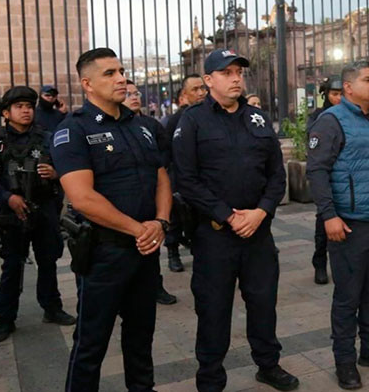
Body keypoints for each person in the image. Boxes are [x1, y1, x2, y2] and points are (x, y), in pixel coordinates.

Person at [173, 49, 298, 392]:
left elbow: (276, 174)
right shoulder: (193, 120)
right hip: (215, 236)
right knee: (213, 309)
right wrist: (227, 215)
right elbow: (186, 179)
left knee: (263, 302)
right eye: (226, 73)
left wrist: (260, 212)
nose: (235, 78)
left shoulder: (257, 119)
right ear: (209, 80)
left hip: (257, 232)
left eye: (239, 72)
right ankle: (211, 377)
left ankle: (268, 365)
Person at [55, 48, 171, 391]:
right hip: (104, 255)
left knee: (140, 338)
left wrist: (160, 223)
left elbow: (161, 177)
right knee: (91, 342)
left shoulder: (142, 127)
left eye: (121, 70)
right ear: (87, 84)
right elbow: (82, 198)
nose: (121, 78)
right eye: (110, 73)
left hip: (145, 251)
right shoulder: (72, 130)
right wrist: (140, 230)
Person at [306, 60, 369, 390]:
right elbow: (317, 171)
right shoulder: (331, 122)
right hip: (350, 225)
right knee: (348, 297)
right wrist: (329, 216)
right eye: (368, 80)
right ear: (349, 88)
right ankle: (345, 362)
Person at [0, 86, 76, 343]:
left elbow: (67, 168)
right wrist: (8, 198)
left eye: (29, 106)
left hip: (44, 209)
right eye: (19, 107)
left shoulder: (47, 138)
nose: (26, 111)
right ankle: (6, 319)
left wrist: (55, 174)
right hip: (12, 213)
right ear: (7, 113)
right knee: (11, 267)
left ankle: (52, 308)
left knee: (48, 263)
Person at [123, 80, 178, 306]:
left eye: (136, 93)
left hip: (151, 192)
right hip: (123, 201)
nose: (135, 97)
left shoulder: (150, 125)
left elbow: (164, 154)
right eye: (129, 94)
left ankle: (156, 286)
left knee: (151, 245)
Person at [162, 73, 208, 272]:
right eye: (195, 90)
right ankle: (173, 252)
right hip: (179, 177)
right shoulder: (176, 120)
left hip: (204, 177)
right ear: (184, 95)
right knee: (175, 219)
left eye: (202, 88)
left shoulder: (211, 115)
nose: (200, 93)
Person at [307, 76, 343, 285]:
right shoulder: (320, 117)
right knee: (323, 223)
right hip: (327, 178)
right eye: (334, 94)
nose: (338, 98)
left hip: (346, 181)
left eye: (341, 94)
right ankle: (319, 262)